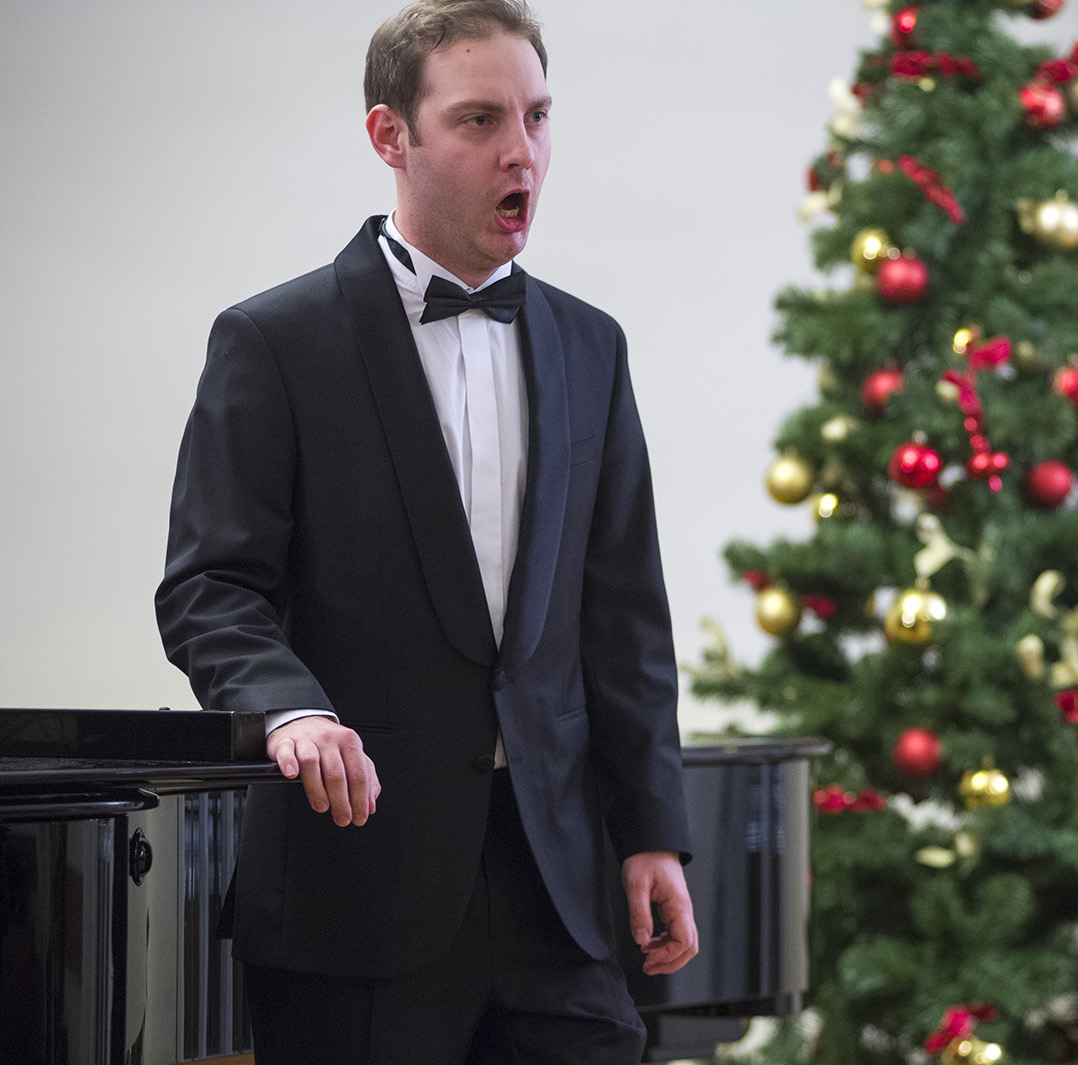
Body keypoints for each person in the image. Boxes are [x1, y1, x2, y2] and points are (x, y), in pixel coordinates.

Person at [154, 2, 696, 1061]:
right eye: (480, 120)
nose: (521, 152)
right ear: (389, 135)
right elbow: (210, 587)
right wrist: (288, 708)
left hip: (559, 894)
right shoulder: (274, 340)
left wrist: (653, 833)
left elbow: (624, 618)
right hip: (354, 892)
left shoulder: (592, 345)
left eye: (538, 117)